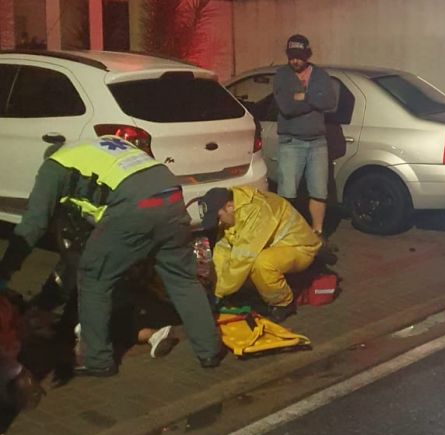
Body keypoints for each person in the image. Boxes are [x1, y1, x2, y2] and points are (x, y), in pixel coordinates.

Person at [0, 135, 224, 377]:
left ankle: (97, 360)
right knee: (182, 279)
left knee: (93, 276)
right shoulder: (95, 147)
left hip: (134, 206)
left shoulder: (54, 166)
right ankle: (209, 351)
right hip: (169, 193)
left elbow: (33, 225)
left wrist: (6, 270)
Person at [198, 186, 322, 322]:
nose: (219, 222)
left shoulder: (256, 213)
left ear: (229, 206)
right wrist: (214, 283)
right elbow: (223, 251)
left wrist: (219, 293)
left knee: (261, 264)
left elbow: (242, 259)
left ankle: (283, 304)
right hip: (276, 245)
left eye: (218, 217)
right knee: (243, 270)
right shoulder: (236, 210)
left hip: (301, 248)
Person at [273, 34, 337, 238]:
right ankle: (287, 233)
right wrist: (313, 100)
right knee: (287, 192)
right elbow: (287, 106)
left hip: (318, 142)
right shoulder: (282, 75)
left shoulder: (320, 75)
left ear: (307, 54)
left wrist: (303, 97)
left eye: (299, 56)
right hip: (292, 142)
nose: (295, 60)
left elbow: (329, 102)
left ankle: (317, 231)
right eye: (291, 56)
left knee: (319, 191)